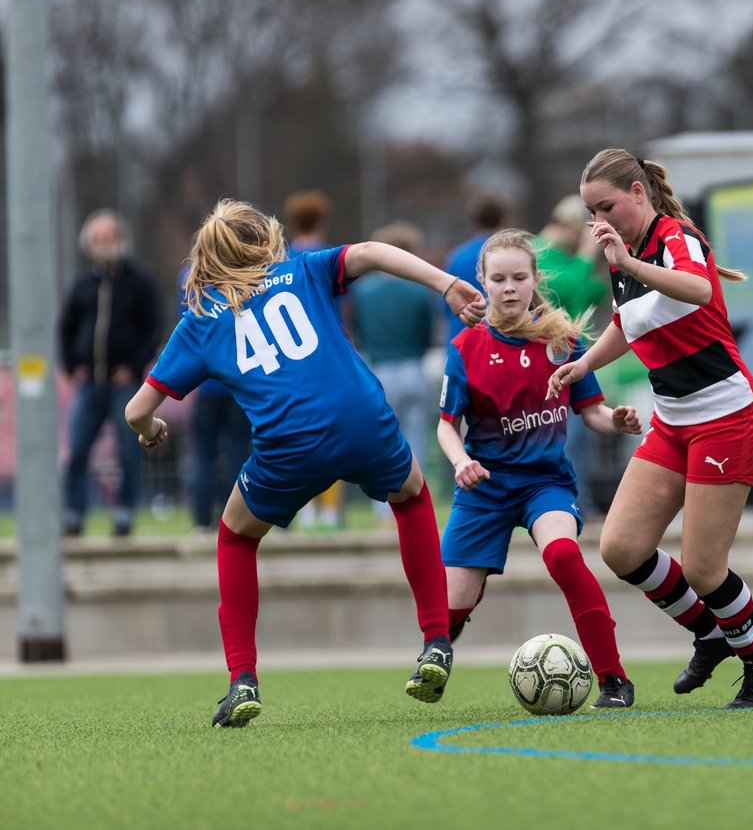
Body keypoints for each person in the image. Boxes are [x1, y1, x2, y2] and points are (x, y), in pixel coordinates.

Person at [124, 199, 486, 728]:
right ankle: (435, 640)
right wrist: (445, 285)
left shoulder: (201, 318)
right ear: (266, 239)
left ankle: (242, 679)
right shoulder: (303, 269)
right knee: (410, 496)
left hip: (289, 444)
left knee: (235, 537)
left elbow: (137, 410)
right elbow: (371, 251)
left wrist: (149, 430)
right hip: (362, 418)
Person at [548, 149, 753, 710]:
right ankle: (710, 634)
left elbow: (697, 289)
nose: (599, 221)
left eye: (606, 207)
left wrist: (627, 264)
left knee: (704, 567)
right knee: (622, 548)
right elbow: (631, 324)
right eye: (590, 213)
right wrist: (583, 365)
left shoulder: (675, 237)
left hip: (727, 418)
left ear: (638, 192)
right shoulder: (620, 251)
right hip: (674, 421)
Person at [439, 228, 643, 708]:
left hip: (544, 483)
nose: (509, 287)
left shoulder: (562, 339)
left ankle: (615, 680)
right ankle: (436, 654)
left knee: (564, 558)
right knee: (448, 607)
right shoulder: (465, 347)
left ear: (534, 281)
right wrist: (460, 460)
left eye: (518, 278)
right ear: (483, 283)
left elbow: (590, 411)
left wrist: (613, 419)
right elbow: (447, 425)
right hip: (484, 487)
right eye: (499, 279)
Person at [58, 209, 161, 537]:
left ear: (121, 240)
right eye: (99, 239)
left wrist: (132, 367)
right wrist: (72, 366)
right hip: (90, 383)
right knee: (77, 449)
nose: (105, 245)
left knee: (129, 450)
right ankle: (73, 513)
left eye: (110, 238)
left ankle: (124, 514)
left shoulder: (139, 282)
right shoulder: (82, 285)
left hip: (124, 384)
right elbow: (65, 329)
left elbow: (153, 328)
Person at [348, 222, 439, 517]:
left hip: (378, 370)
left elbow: (357, 331)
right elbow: (427, 334)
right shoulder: (418, 291)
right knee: (415, 442)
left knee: (382, 444)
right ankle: (415, 507)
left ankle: (383, 511)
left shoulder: (362, 291)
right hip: (413, 367)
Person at [534, 194, 611, 517]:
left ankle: (580, 501)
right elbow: (564, 288)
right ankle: (564, 504)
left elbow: (589, 294)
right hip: (550, 359)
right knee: (567, 437)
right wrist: (586, 253)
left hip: (573, 352)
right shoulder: (541, 251)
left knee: (581, 437)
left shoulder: (566, 256)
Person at [282, 190, 344, 529]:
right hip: (329, 355)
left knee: (299, 433)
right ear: (320, 220)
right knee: (334, 432)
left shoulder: (284, 259)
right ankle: (331, 511)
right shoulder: (328, 256)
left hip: (293, 359)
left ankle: (304, 508)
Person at [177, 262, 252, 533]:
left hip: (206, 381)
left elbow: (186, 328)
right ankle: (237, 518)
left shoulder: (190, 278)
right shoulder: (241, 272)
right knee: (238, 451)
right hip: (237, 380)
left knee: (204, 454)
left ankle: (201, 519)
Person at [443, 195, 509, 343]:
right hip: (499, 343)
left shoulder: (457, 256)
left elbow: (445, 303)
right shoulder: (510, 255)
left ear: (475, 222)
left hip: (461, 338)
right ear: (503, 220)